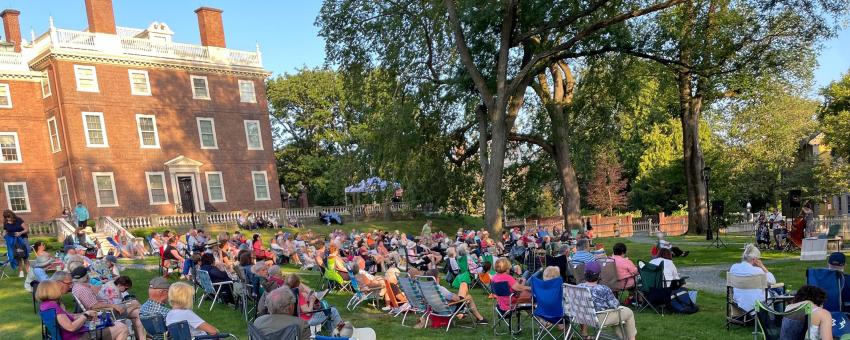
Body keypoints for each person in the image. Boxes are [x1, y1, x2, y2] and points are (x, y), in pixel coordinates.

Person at [38, 280, 129, 340]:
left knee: (115, 325)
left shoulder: (45, 306)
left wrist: (85, 314)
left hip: (69, 335)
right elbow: (71, 327)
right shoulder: (53, 306)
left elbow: (66, 318)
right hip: (76, 337)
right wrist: (85, 315)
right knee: (122, 327)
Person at [71, 266, 145, 338]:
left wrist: (100, 287)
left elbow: (95, 294)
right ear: (86, 276)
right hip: (105, 313)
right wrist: (113, 306)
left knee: (137, 313)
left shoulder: (78, 286)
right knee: (134, 303)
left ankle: (141, 337)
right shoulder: (83, 290)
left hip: (106, 311)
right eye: (87, 274)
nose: (89, 275)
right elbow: (94, 306)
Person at [578, 262, 637, 340]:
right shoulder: (603, 289)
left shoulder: (578, 287)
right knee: (628, 312)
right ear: (598, 275)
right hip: (599, 318)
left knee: (618, 315)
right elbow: (615, 305)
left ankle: (624, 337)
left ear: (585, 274)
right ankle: (632, 339)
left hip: (583, 317)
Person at [413, 268, 489, 328]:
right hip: (449, 307)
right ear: (437, 277)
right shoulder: (439, 288)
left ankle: (471, 315)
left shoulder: (425, 288)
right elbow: (456, 299)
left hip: (436, 308)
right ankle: (480, 318)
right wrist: (457, 296)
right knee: (468, 297)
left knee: (463, 284)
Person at [729, 244, 778, 312]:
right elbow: (773, 281)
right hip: (757, 306)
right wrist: (762, 266)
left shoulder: (734, 267)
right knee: (778, 292)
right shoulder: (757, 271)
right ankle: (778, 320)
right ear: (754, 259)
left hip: (739, 304)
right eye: (758, 259)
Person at [3, 209, 30, 277]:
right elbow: (5, 231)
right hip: (13, 241)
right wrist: (3, 235)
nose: (7, 219)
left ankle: (29, 272)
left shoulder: (19, 220)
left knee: (25, 256)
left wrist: (20, 233)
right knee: (17, 256)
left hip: (22, 239)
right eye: (6, 217)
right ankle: (21, 272)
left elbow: (27, 230)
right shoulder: (6, 222)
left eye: (8, 217)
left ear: (12, 215)